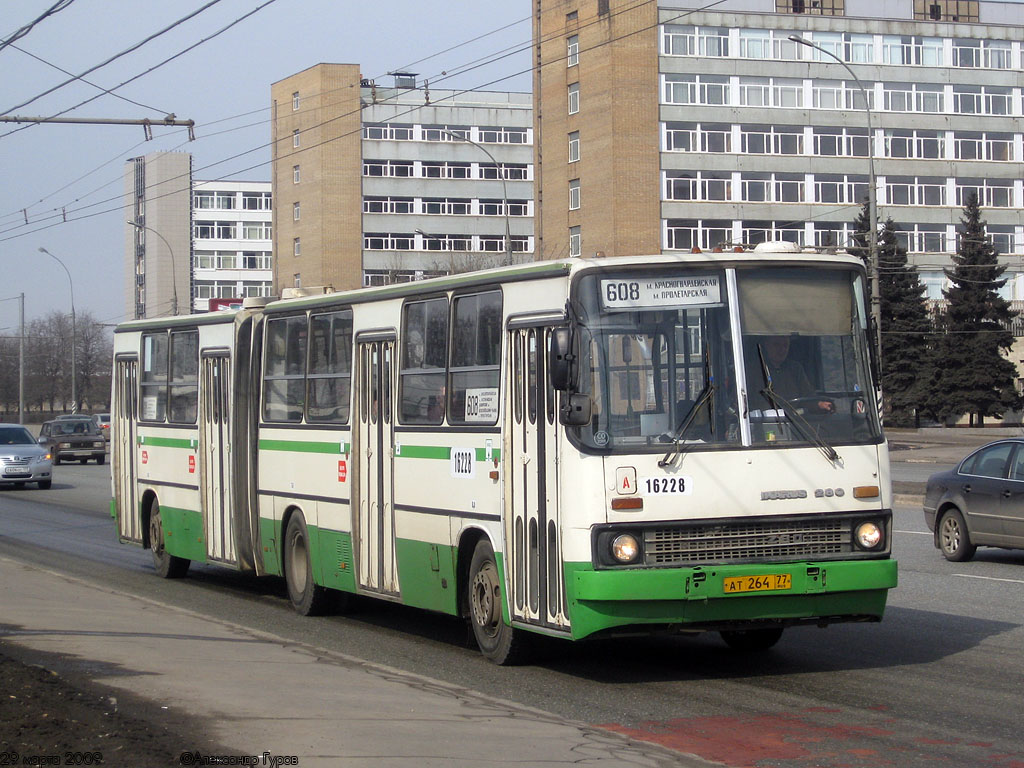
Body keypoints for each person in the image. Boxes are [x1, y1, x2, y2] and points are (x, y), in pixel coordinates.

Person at [757, 335, 834, 414]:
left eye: (785, 345)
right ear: (766, 346)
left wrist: (819, 405)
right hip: (765, 422)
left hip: (795, 422)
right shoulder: (754, 370)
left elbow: (808, 396)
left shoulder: (795, 369)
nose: (781, 350)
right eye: (776, 345)